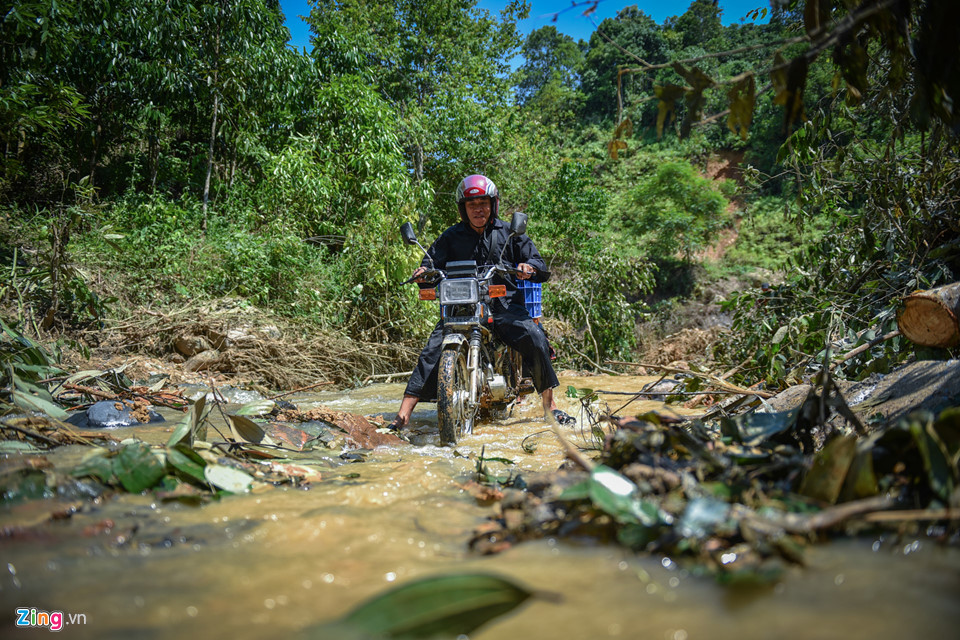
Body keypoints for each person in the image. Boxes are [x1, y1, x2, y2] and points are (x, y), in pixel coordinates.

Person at [389, 174, 575, 430]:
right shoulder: (451, 236)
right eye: (472, 204)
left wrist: (527, 267)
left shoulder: (510, 233)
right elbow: (430, 264)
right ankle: (402, 418)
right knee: (431, 350)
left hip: (504, 307)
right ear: (463, 208)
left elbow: (539, 266)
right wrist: (423, 272)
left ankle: (550, 407)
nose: (478, 209)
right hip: (461, 307)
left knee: (534, 335)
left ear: (493, 204)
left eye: (483, 203)